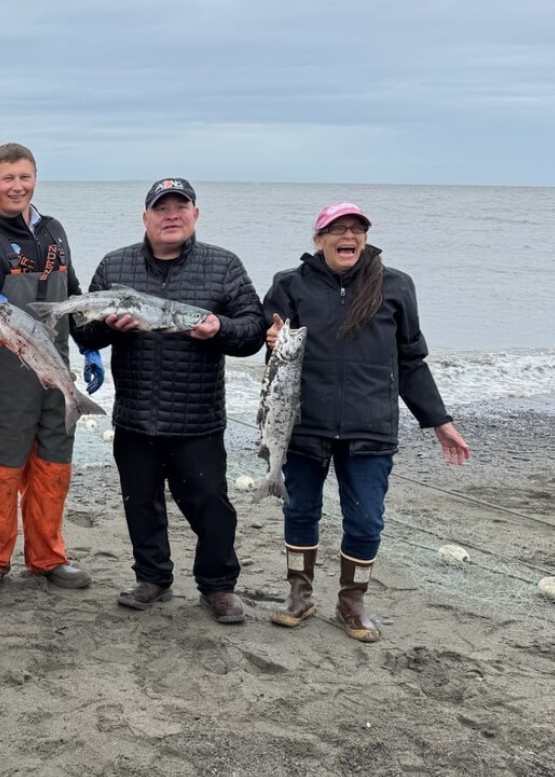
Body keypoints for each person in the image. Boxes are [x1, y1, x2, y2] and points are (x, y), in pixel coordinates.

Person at [263, 201, 471, 643]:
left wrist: (439, 420)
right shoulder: (289, 285)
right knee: (300, 510)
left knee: (366, 521)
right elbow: (273, 350)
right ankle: (299, 594)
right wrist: (270, 337)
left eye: (357, 228)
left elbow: (411, 360)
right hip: (305, 425)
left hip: (370, 427)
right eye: (337, 229)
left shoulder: (395, 287)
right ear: (318, 240)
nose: (349, 235)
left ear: (365, 238)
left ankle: (351, 601)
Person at [73, 177, 265, 624]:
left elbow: (253, 330)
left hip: (198, 416)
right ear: (146, 218)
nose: (171, 215)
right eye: (162, 208)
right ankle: (152, 577)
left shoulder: (224, 266)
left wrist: (221, 329)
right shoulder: (115, 266)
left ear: (195, 215)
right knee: (140, 502)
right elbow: (83, 331)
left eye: (181, 207)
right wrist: (107, 329)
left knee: (211, 504)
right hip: (136, 415)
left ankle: (217, 587)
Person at [0, 143, 93, 594]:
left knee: (54, 465)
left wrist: (89, 347)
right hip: (1, 374)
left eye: (25, 177)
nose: (17, 186)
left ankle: (47, 557)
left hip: (54, 370)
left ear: (36, 179)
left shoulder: (54, 232)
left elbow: (71, 296)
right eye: (8, 178)